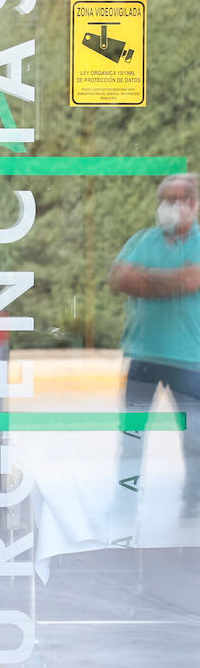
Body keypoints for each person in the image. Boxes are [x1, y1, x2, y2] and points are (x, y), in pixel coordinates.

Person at [108, 172, 200, 523]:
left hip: (189, 361)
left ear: (193, 204)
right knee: (132, 437)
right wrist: (176, 281)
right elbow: (118, 279)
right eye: (165, 198)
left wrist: (145, 279)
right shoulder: (144, 238)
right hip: (143, 357)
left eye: (177, 198)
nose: (169, 205)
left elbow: (193, 281)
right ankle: (125, 503)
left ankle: (194, 504)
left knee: (195, 441)